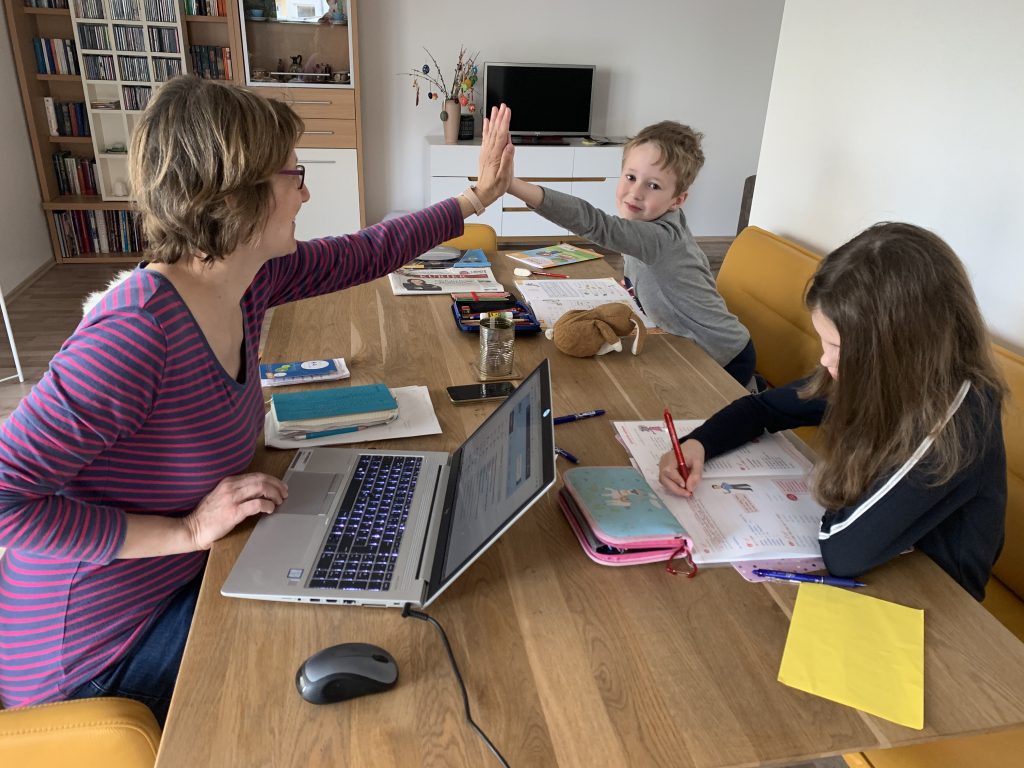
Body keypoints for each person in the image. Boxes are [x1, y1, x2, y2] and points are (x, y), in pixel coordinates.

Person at [0, 76, 514, 722]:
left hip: (178, 578)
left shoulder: (249, 277)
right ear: (233, 196)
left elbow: (369, 251)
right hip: (95, 654)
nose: (305, 192)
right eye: (293, 175)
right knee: (336, 669)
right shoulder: (134, 336)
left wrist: (476, 196)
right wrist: (187, 530)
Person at [658, 223, 1006, 600]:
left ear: (898, 348)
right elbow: (763, 408)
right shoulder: (881, 373)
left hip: (937, 601)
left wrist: (839, 473)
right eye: (825, 342)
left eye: (838, 347)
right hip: (881, 569)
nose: (826, 360)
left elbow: (844, 551)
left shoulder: (960, 417)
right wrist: (699, 443)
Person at [505, 121, 755, 386]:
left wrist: (512, 185)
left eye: (653, 186)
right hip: (693, 342)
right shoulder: (650, 223)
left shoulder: (659, 237)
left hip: (722, 355)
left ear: (678, 200)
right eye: (631, 177)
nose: (636, 193)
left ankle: (751, 389)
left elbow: (596, 224)